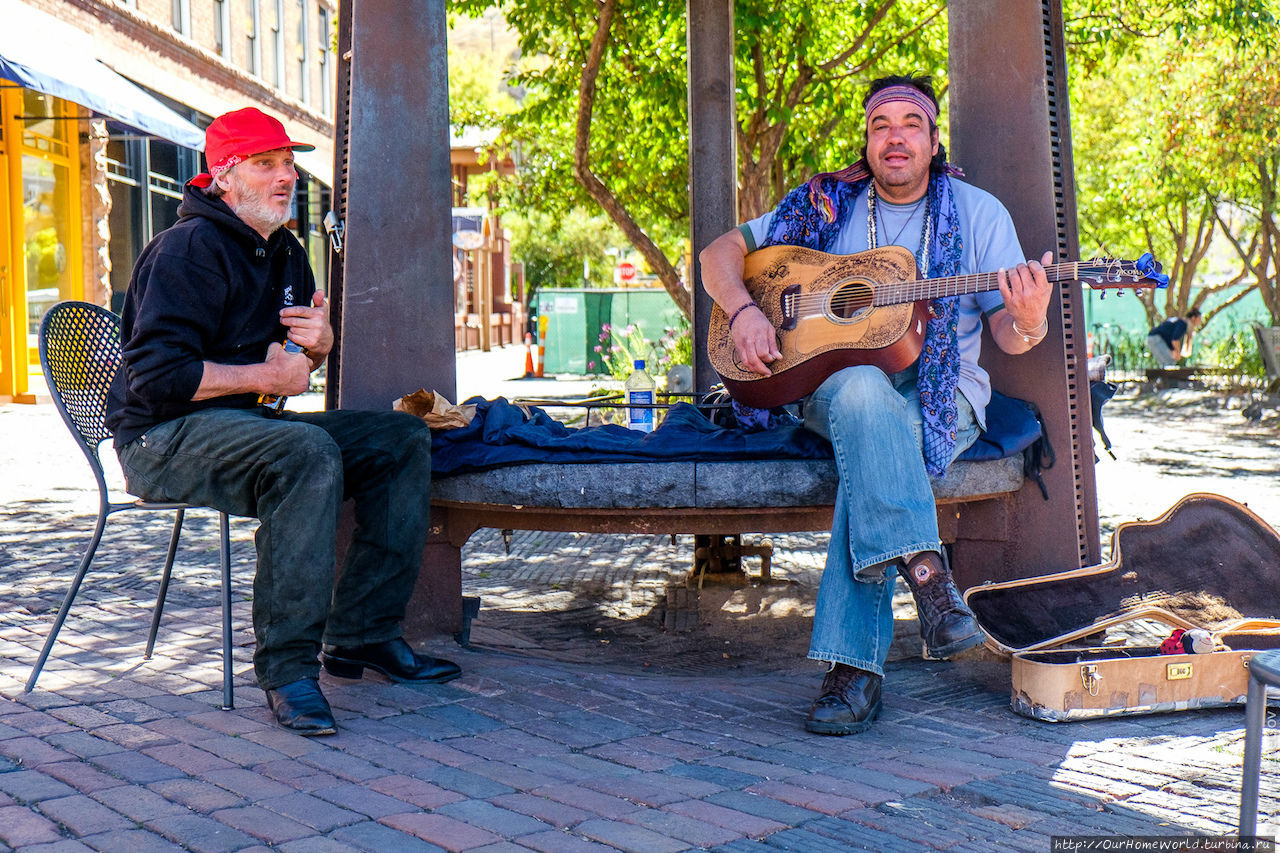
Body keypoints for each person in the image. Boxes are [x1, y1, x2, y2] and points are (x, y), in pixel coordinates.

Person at [699, 75, 1053, 736]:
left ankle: (853, 673)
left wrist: (1029, 319)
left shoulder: (978, 215)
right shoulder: (826, 207)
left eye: (910, 124)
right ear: (866, 140)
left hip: (944, 397)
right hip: (827, 385)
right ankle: (926, 571)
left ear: (933, 139)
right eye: (881, 124)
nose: (895, 137)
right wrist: (744, 309)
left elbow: (1008, 331)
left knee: (874, 440)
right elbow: (717, 255)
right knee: (862, 389)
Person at [106, 107, 460, 736]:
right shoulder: (185, 250)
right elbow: (154, 377)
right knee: (305, 451)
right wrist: (268, 379)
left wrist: (318, 346)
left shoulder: (286, 250)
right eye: (265, 164)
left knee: (401, 438)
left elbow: (293, 361)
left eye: (289, 163)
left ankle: (363, 636)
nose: (285, 176)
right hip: (162, 438)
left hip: (246, 428)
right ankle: (288, 671)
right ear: (223, 175)